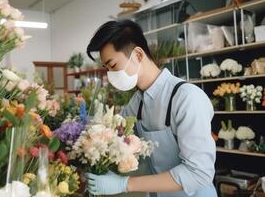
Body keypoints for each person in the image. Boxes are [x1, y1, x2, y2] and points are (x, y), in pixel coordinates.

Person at [85, 20, 217, 197]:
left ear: (138, 55)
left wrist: (125, 184)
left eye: (113, 65)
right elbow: (114, 137)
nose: (110, 76)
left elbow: (199, 173)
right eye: (107, 69)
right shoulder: (136, 103)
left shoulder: (186, 97)